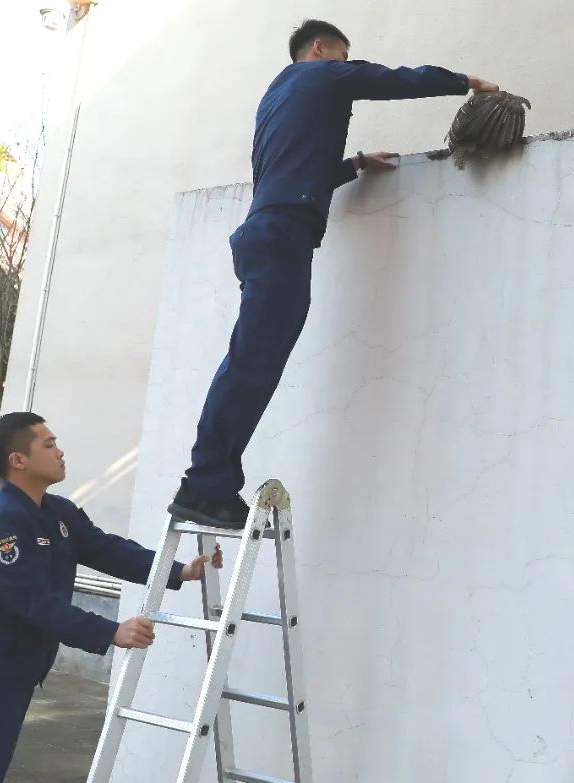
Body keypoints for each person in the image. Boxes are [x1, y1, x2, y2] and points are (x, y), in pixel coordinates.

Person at [168, 19, 500, 528]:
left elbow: (297, 170)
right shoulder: (320, 75)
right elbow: (390, 79)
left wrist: (356, 163)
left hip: (265, 234)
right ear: (320, 49)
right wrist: (464, 82)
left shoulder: (276, 97)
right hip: (282, 237)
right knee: (252, 365)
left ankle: (211, 481)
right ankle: (204, 485)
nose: (346, 67)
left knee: (252, 362)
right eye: (343, 57)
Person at [0, 412, 223, 783]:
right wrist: (110, 631)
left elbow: (108, 550)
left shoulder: (57, 511)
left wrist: (179, 571)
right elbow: (31, 602)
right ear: (18, 460)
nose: (60, 452)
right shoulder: (3, 520)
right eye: (48, 445)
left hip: (15, 674)